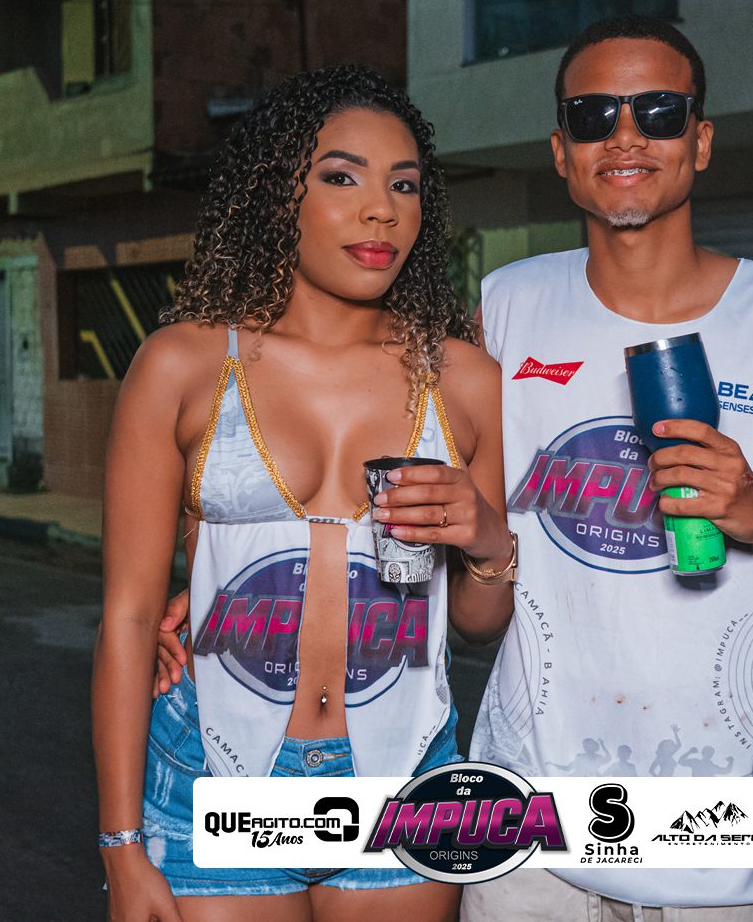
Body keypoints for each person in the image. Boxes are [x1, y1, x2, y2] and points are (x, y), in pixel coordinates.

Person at [458, 16, 753, 920]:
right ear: (561, 151)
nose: (625, 135)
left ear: (700, 141)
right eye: (594, 115)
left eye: (658, 111)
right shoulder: (505, 308)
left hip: (714, 827)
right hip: (528, 820)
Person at [94, 65, 515, 922]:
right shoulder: (183, 365)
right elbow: (129, 618)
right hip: (211, 771)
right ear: (278, 192)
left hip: (406, 774)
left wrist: (485, 539)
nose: (381, 210)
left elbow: (477, 622)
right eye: (342, 177)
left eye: (404, 185)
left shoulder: (465, 380)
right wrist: (121, 845)